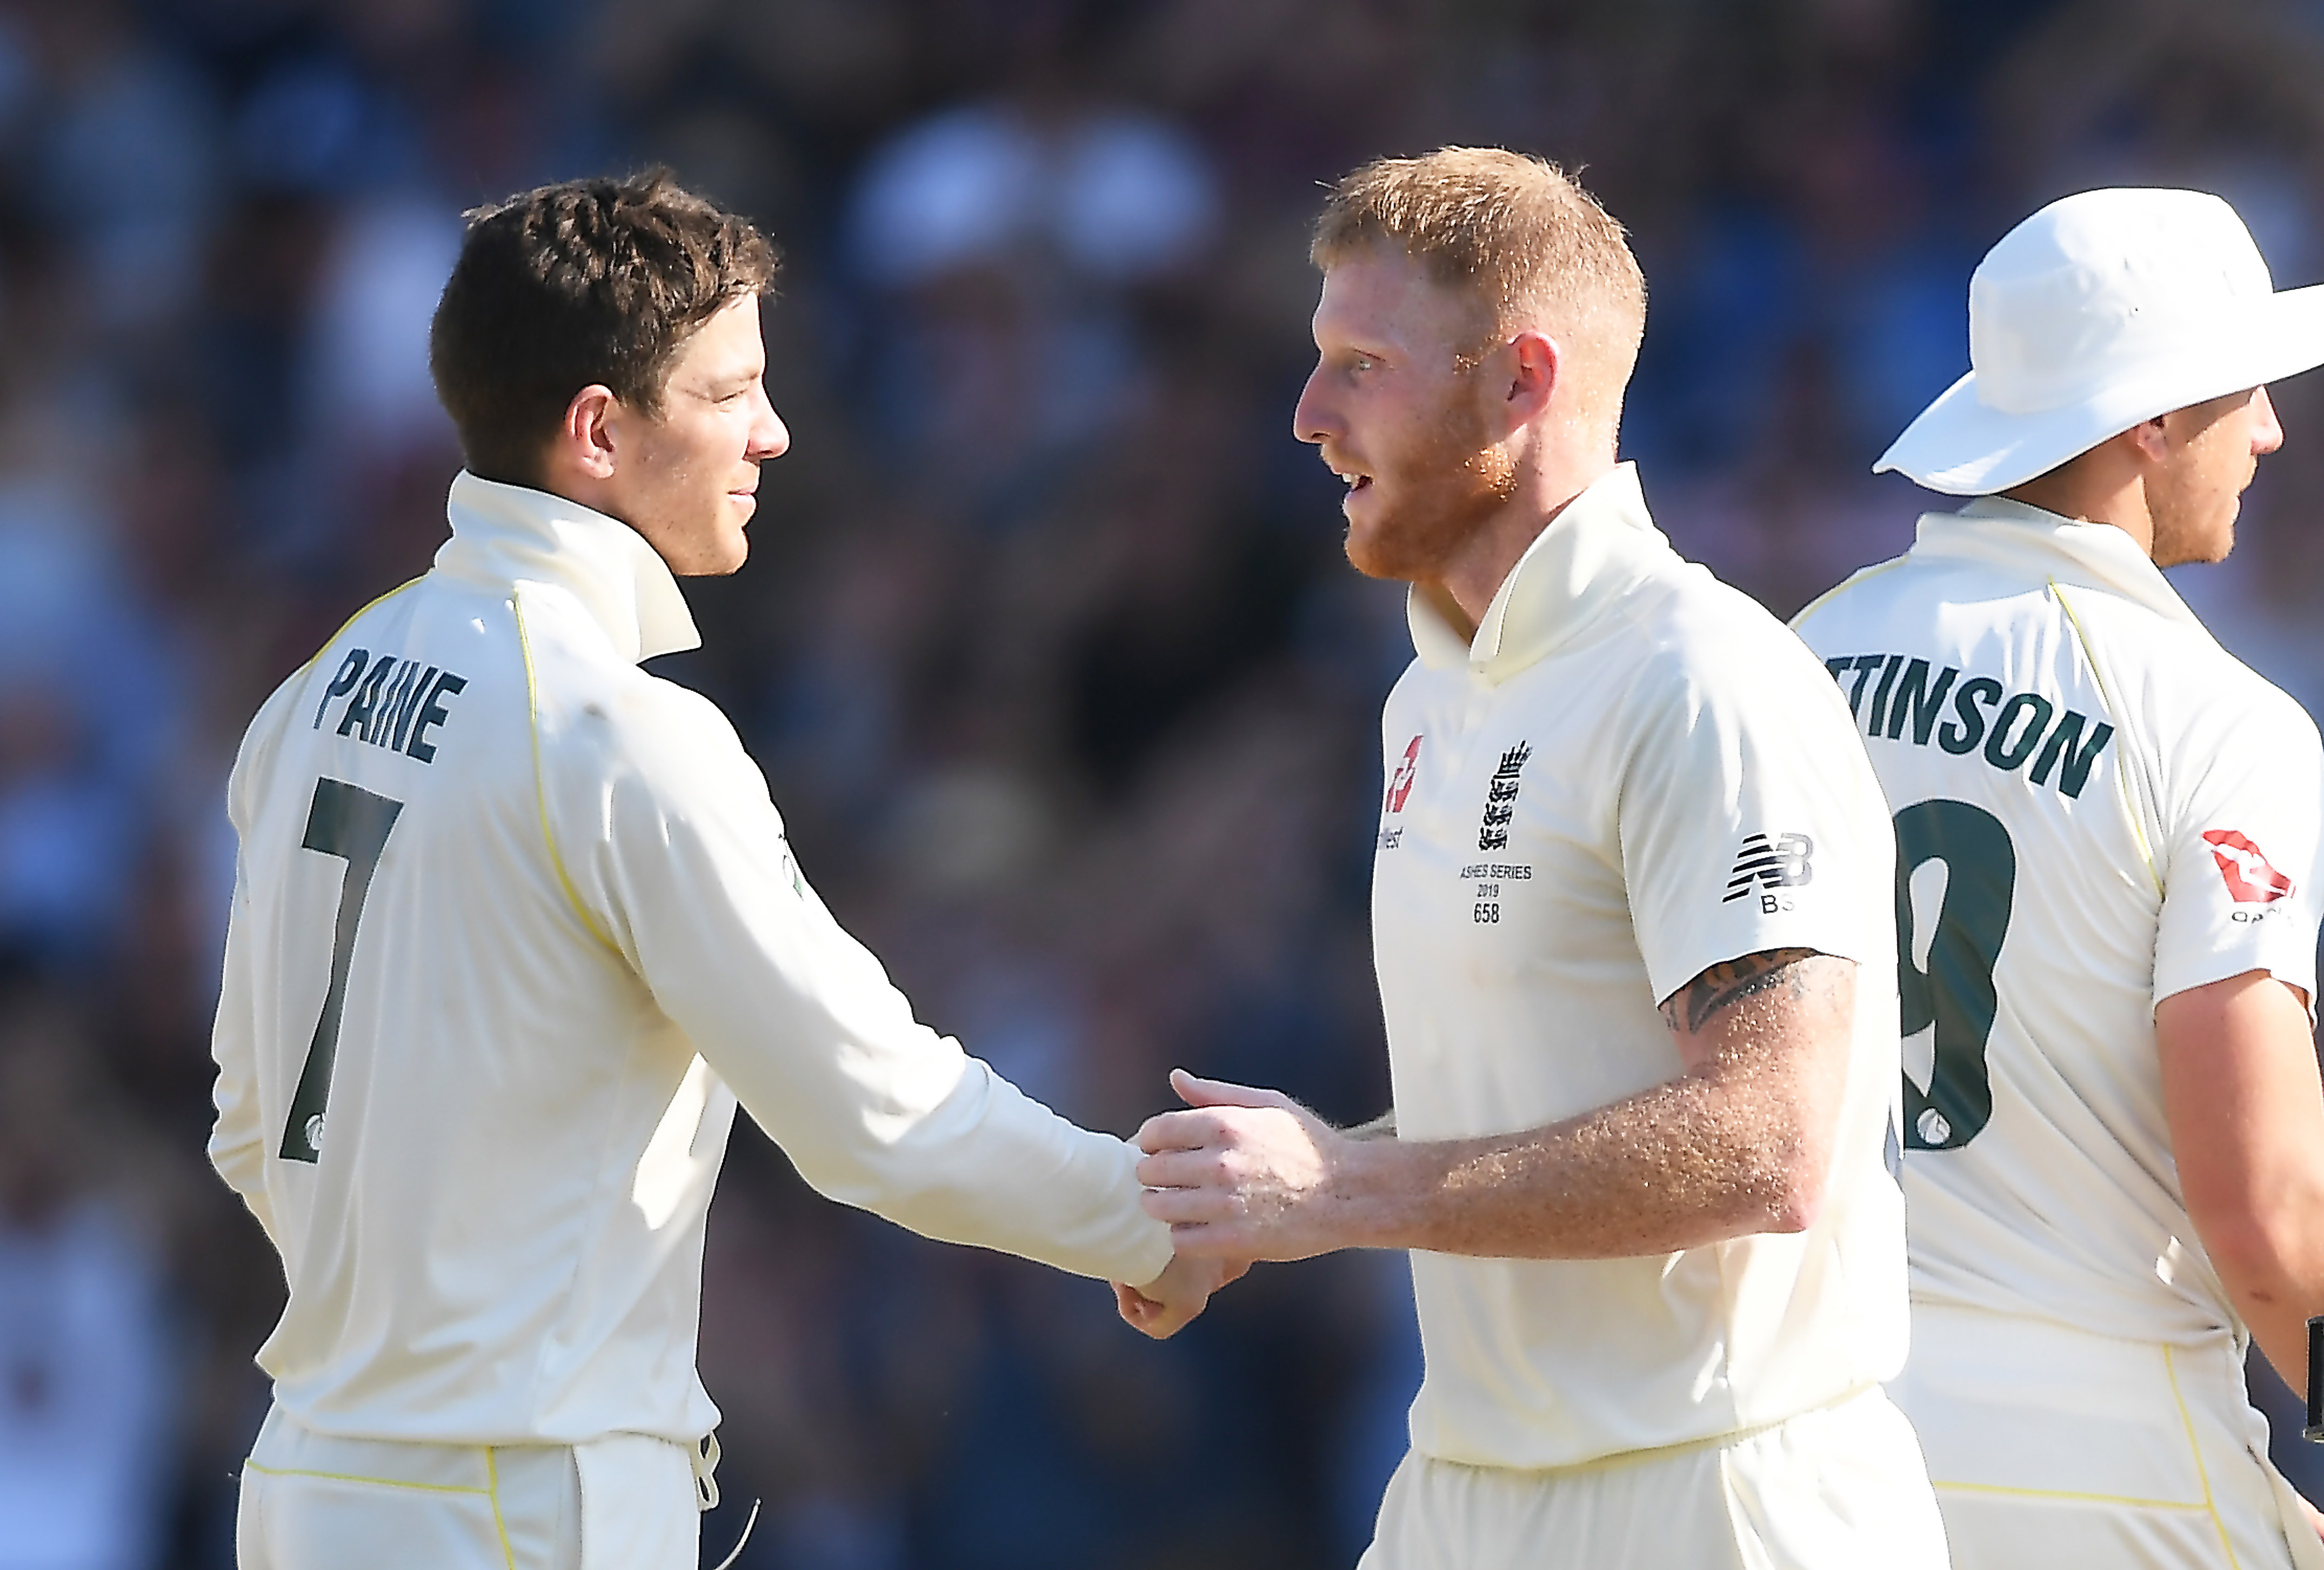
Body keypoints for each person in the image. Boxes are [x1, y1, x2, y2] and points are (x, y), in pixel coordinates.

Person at [206, 170, 1226, 1570]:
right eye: (730, 391)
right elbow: (872, 1113)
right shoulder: (614, 731)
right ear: (597, 433)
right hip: (521, 1507)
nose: (773, 431)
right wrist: (1145, 1223)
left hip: (311, 1485)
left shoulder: (315, 691)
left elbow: (246, 1123)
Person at [1132, 147, 1947, 1568]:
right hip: (1463, 1489)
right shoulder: (1426, 690)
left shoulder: (1699, 681)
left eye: (1361, 364)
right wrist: (1280, 1196)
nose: (1308, 416)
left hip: (1715, 1501)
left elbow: (1766, 1144)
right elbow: (1556, 1093)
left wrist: (1337, 1193)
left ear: (1519, 382)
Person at [1790, 187, 2324, 1570]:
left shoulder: (1790, 663)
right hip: (2110, 1474)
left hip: (1805, 1458)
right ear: (2148, 422)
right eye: (2243, 389)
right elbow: (2263, 1216)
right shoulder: (2220, 723)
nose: (2268, 427)